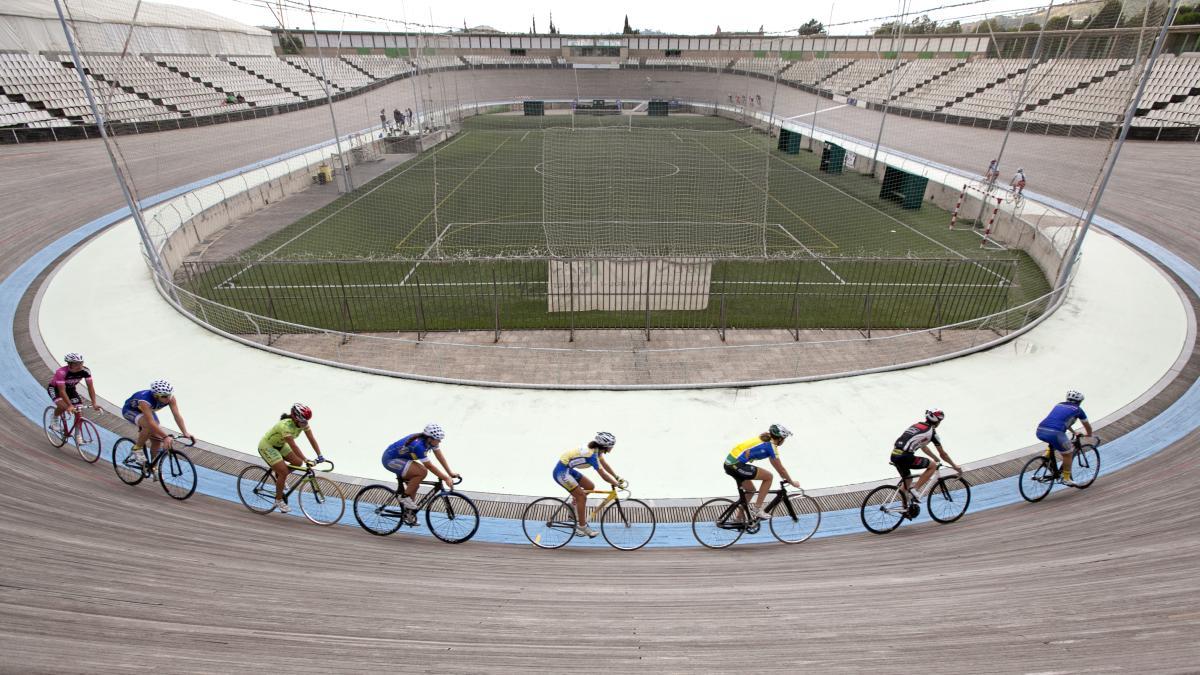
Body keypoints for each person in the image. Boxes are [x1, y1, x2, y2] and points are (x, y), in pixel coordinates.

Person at [891, 409, 963, 516]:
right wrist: (955, 467)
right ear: (937, 421)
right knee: (932, 466)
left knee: (908, 480)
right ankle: (915, 489)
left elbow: (923, 447)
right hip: (905, 456)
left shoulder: (916, 425)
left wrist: (935, 458)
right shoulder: (932, 433)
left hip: (895, 455)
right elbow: (943, 454)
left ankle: (904, 509)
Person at [381, 423, 459, 519]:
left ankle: (408, 514)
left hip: (401, 459)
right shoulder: (418, 446)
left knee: (414, 485)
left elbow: (439, 456)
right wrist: (446, 478)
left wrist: (449, 473)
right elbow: (429, 466)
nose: (440, 441)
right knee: (422, 471)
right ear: (430, 438)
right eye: (438, 439)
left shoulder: (429, 441)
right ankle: (404, 497)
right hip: (390, 460)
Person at [554, 432, 624, 538]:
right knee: (581, 497)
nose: (612, 448)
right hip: (561, 472)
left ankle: (572, 506)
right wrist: (615, 483)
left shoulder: (596, 451)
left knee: (590, 486)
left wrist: (616, 477)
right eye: (611, 446)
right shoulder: (591, 455)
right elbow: (603, 475)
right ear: (605, 446)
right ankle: (582, 527)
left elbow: (604, 465)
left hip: (567, 470)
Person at [258, 403, 325, 513]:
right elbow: (294, 446)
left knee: (298, 462)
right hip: (267, 446)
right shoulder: (285, 426)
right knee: (284, 472)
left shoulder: (303, 423)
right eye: (303, 421)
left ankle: (279, 476)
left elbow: (311, 439)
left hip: (280, 445)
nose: (305, 424)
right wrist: (306, 459)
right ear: (295, 417)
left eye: (306, 421)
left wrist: (320, 455)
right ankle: (278, 500)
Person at [723, 424, 799, 521]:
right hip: (736, 465)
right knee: (769, 477)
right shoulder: (771, 446)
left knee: (750, 490)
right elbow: (781, 470)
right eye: (784, 439)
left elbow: (777, 466)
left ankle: (738, 519)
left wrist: (783, 475)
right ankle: (757, 509)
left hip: (729, 464)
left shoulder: (765, 437)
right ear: (780, 438)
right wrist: (792, 482)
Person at [120, 379, 194, 474]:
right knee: (149, 426)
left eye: (170, 395)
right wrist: (166, 437)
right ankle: (137, 449)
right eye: (164, 396)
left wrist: (185, 432)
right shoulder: (144, 400)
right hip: (131, 411)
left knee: (157, 440)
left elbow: (176, 415)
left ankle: (153, 466)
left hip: (148, 411)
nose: (168, 398)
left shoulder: (170, 398)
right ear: (155, 396)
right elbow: (151, 422)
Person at [1035, 390, 1093, 487]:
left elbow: (1063, 421)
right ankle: (1066, 478)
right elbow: (1087, 426)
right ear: (1079, 401)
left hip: (1040, 429)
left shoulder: (1059, 405)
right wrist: (1088, 434)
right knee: (1068, 454)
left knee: (1055, 442)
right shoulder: (1078, 410)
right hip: (1056, 433)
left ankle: (1046, 457)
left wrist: (1074, 432)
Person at [46, 352, 97, 417]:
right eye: (76, 364)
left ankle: (79, 423)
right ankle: (54, 417)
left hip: (70, 389)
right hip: (55, 389)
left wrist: (94, 403)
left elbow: (90, 387)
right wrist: (70, 405)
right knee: (63, 407)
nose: (80, 366)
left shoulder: (86, 371)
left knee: (78, 410)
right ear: (69, 364)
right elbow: (62, 391)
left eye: (81, 363)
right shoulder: (61, 372)